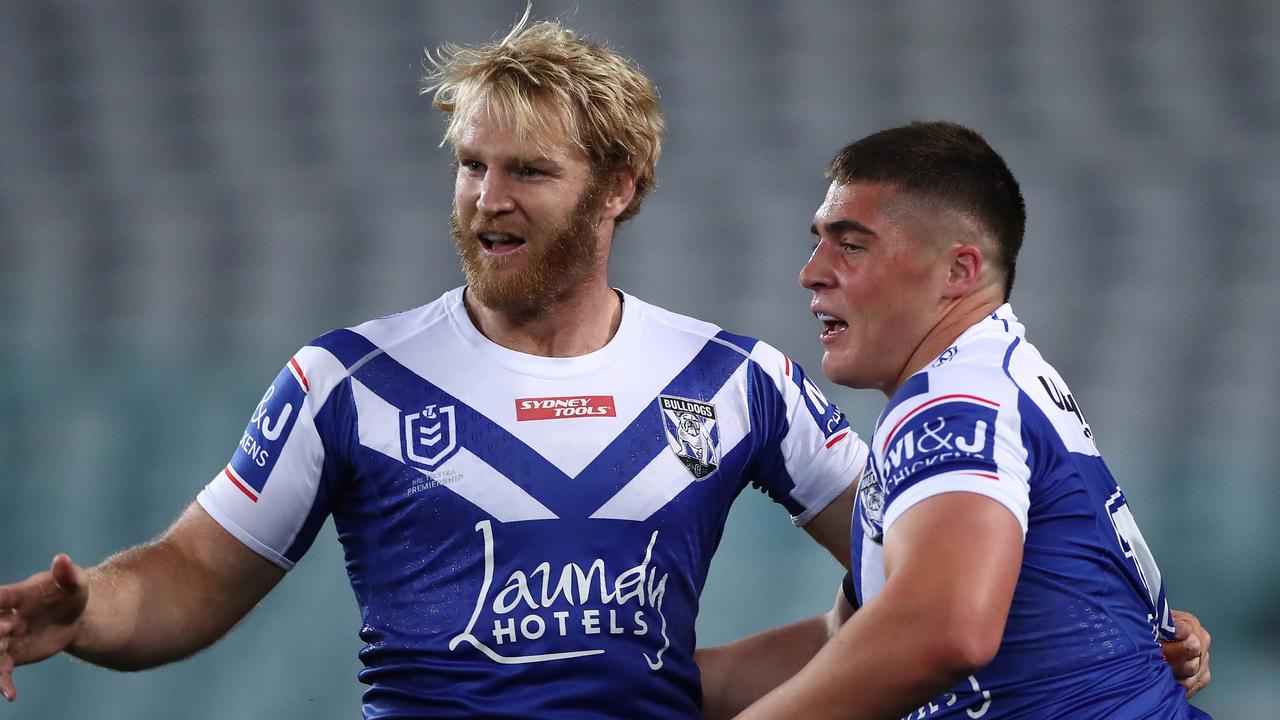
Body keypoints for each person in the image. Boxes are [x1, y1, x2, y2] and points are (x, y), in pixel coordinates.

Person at [0, 13, 866, 719]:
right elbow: (189, 578)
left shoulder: (735, 381)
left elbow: (920, 564)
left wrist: (785, 665)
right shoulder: (346, 381)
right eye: (471, 166)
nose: (489, 199)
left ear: (618, 188)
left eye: (529, 170)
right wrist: (90, 614)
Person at [730, 121, 1213, 718]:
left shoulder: (953, 401)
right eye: (819, 241)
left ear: (959, 271)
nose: (812, 271)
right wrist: (635, 681)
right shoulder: (1000, 373)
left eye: (851, 245)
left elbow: (944, 629)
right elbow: (848, 642)